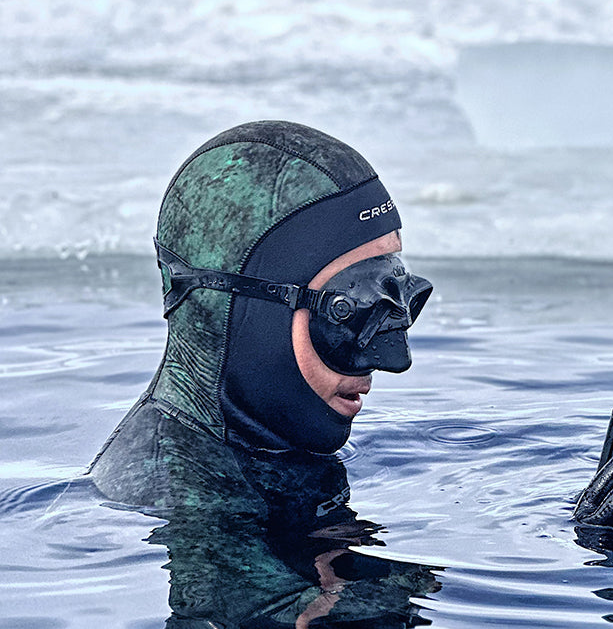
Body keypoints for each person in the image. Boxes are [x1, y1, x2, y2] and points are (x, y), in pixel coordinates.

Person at [87, 119, 431, 510]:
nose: (393, 359)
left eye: (396, 304)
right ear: (243, 311)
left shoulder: (268, 447)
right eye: (352, 313)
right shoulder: (185, 503)